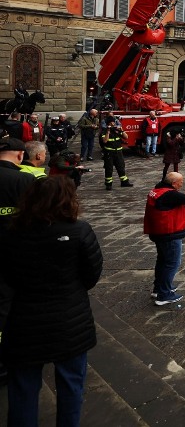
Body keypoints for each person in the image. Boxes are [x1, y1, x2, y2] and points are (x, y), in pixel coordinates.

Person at [0, 176, 103, 426]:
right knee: (71, 386)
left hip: (24, 321)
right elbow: (91, 274)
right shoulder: (79, 231)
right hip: (69, 320)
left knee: (22, 389)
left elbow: (6, 278)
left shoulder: (10, 234)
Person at [144, 172, 185, 305]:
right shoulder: (170, 194)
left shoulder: (158, 190)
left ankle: (159, 288)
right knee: (172, 263)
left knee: (163, 261)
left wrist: (183, 196)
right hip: (169, 234)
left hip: (158, 233)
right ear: (173, 183)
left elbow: (173, 201)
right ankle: (164, 294)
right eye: (180, 182)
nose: (182, 185)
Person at [99, 117, 132, 191]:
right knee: (109, 168)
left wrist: (122, 130)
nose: (113, 123)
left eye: (113, 122)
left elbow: (126, 137)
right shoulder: (104, 131)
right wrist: (108, 131)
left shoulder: (116, 130)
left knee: (121, 167)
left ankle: (124, 182)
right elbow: (105, 141)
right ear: (108, 124)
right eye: (111, 122)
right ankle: (108, 184)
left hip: (118, 152)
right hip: (109, 153)